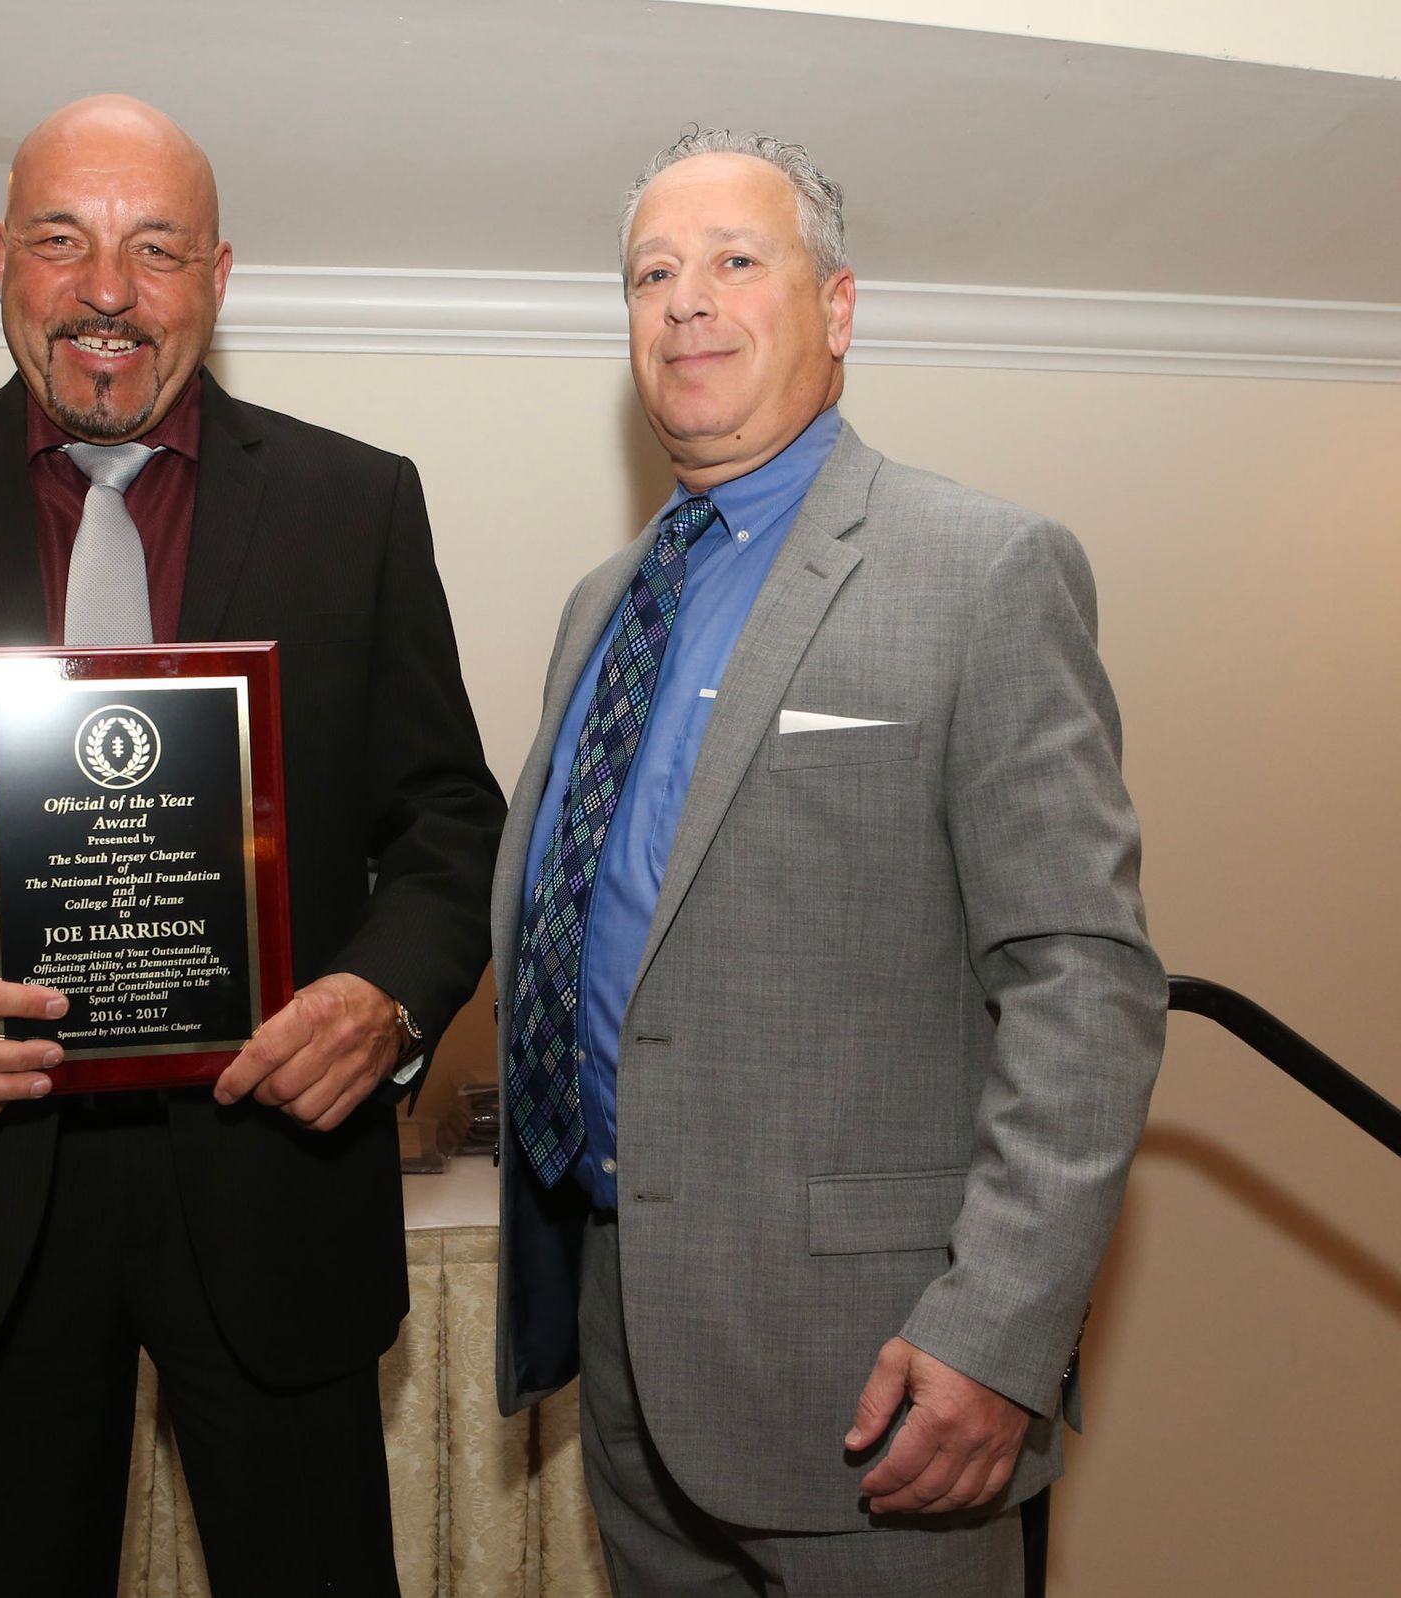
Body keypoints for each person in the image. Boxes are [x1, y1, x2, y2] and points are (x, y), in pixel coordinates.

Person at [0, 94, 503, 1597]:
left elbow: (450, 814)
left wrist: (387, 998)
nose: (108, 292)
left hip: (274, 1174)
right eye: (66, 242)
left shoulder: (358, 503)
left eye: (157, 250)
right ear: (3, 258)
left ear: (218, 276)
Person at [493, 129, 1167, 1596]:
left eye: (737, 260)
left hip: (881, 1372)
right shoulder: (600, 604)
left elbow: (1084, 982)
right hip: (625, 1344)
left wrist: (1001, 1329)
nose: (686, 301)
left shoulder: (981, 569)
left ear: (838, 309)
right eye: (652, 273)